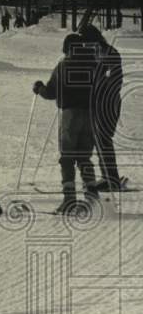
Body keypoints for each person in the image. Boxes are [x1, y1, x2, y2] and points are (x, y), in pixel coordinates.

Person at [33, 34, 101, 214]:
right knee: (85, 157)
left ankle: (69, 199)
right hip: (90, 115)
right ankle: (92, 197)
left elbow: (51, 92)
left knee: (67, 158)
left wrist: (39, 88)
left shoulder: (63, 66)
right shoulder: (94, 65)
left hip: (70, 115)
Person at [80, 24, 124, 190]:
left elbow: (116, 79)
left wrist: (100, 87)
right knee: (99, 141)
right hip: (95, 102)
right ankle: (108, 176)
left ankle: (112, 179)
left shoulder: (109, 52)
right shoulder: (90, 53)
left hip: (108, 103)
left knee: (104, 140)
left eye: (86, 42)